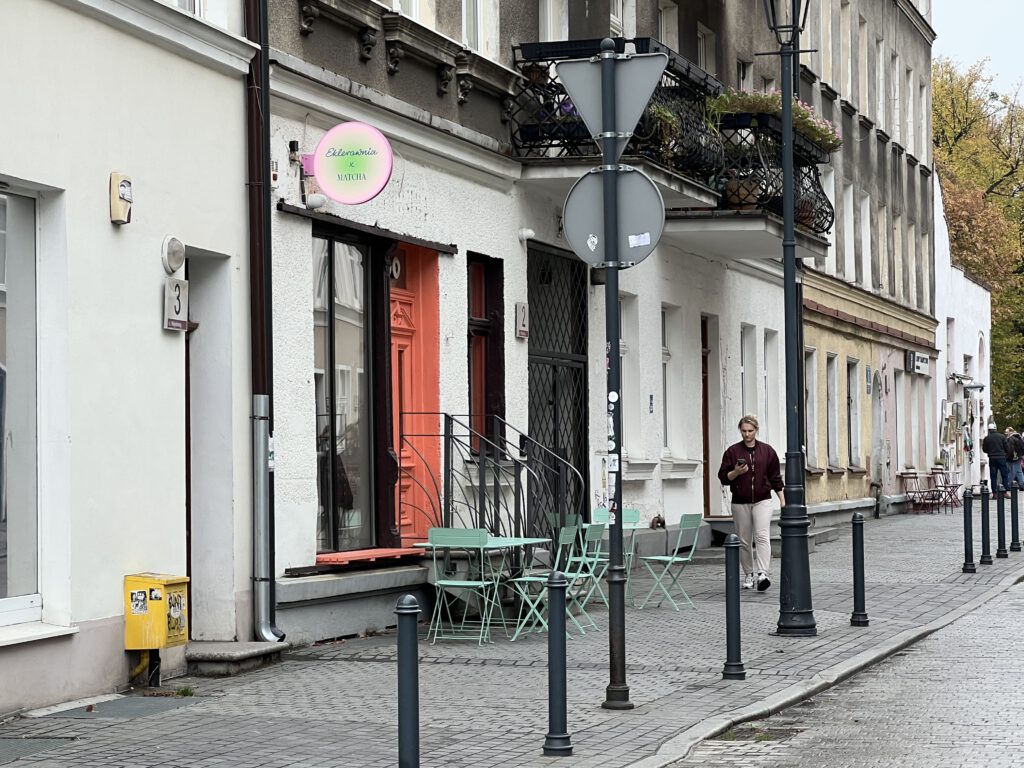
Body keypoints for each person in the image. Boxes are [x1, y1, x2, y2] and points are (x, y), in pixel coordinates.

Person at [717, 414, 784, 592]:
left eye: (750, 431)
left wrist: (783, 501)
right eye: (744, 431)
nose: (747, 434)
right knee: (744, 540)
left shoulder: (767, 451)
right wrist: (736, 472)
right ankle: (748, 574)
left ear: (756, 430)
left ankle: (763, 573)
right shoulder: (732, 452)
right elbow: (723, 477)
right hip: (740, 501)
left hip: (763, 499)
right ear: (740, 430)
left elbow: (775, 478)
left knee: (762, 536)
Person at [981, 421, 1011, 497]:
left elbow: (984, 449)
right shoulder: (1002, 437)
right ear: (995, 428)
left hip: (992, 458)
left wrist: (990, 452)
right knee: (1004, 475)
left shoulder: (986, 438)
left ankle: (994, 493)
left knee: (993, 476)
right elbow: (1007, 448)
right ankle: (1005, 492)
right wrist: (1005, 454)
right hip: (1001, 457)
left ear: (989, 430)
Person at [1004, 426, 1024, 492]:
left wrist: (1008, 457)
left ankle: (1008, 485)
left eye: (1007, 432)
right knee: (1019, 471)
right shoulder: (1019, 437)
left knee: (1012, 471)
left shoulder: (1011, 439)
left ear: (1010, 432)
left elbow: (1010, 449)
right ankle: (1022, 484)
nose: (1005, 433)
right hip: (1019, 456)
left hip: (1013, 457)